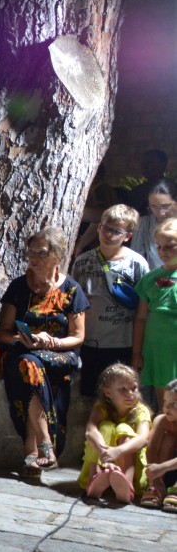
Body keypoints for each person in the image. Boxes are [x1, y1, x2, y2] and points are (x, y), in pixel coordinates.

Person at [0, 227, 88, 478]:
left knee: (32, 367)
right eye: (31, 252)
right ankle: (45, 445)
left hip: (59, 354)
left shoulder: (71, 290)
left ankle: (33, 449)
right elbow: (3, 333)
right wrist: (25, 339)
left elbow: (78, 336)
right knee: (29, 364)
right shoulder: (19, 287)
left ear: (57, 256)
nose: (33, 258)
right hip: (24, 353)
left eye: (42, 253)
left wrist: (52, 343)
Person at [72, 204, 148, 396]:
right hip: (91, 342)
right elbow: (74, 302)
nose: (109, 234)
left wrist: (137, 352)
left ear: (127, 236)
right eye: (106, 228)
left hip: (123, 343)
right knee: (92, 396)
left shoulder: (137, 264)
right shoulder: (82, 261)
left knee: (122, 396)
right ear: (99, 227)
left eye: (116, 231)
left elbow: (143, 308)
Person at [78, 363, 150, 502]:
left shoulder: (141, 411)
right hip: (105, 461)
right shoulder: (101, 407)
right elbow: (90, 431)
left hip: (131, 466)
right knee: (105, 427)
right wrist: (104, 454)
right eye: (123, 389)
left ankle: (127, 484)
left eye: (134, 388)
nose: (130, 394)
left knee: (123, 428)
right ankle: (96, 478)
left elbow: (143, 439)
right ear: (108, 392)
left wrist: (118, 451)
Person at [134, 217, 177, 397]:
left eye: (169, 246)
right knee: (166, 402)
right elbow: (141, 318)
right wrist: (137, 353)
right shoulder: (150, 279)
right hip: (157, 349)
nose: (162, 251)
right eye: (159, 246)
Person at [139, 380, 177, 508]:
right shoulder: (162, 420)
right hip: (165, 473)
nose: (167, 408)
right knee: (168, 440)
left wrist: (162, 467)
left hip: (167, 469)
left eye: (174, 404)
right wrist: (156, 478)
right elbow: (152, 448)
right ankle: (156, 488)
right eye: (165, 402)